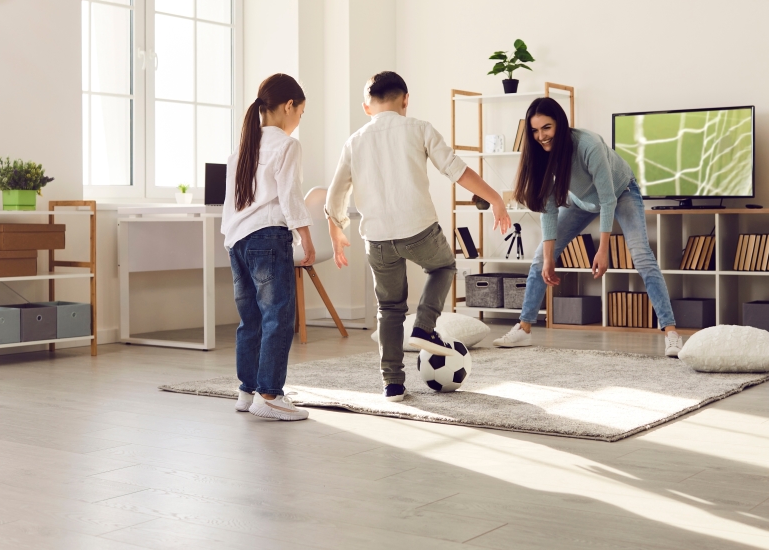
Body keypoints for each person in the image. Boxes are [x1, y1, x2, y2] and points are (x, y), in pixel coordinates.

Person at [325, 71, 511, 402]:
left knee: (389, 308)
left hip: (377, 239)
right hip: (418, 230)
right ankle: (424, 325)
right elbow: (457, 170)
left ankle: (393, 383)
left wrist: (337, 229)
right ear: (405, 100)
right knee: (443, 267)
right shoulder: (419, 128)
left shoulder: (355, 141)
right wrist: (495, 198)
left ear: (367, 107)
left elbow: (335, 195)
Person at [492, 97, 683, 357]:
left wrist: (603, 250)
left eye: (546, 128)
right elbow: (548, 209)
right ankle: (524, 328)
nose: (541, 136)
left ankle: (671, 332)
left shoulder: (587, 144)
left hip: (621, 192)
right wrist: (550, 257)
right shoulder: (541, 155)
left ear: (559, 123)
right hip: (581, 201)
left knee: (641, 257)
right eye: (535, 131)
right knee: (540, 258)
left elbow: (607, 199)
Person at [221, 73, 313, 422]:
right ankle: (271, 395)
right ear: (288, 106)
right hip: (268, 238)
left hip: (237, 241)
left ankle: (247, 391)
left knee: (251, 320)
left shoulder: (241, 148)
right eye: (300, 113)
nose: (298, 121)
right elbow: (290, 198)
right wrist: (306, 237)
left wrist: (231, 242)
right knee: (279, 317)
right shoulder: (287, 146)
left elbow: (231, 205)